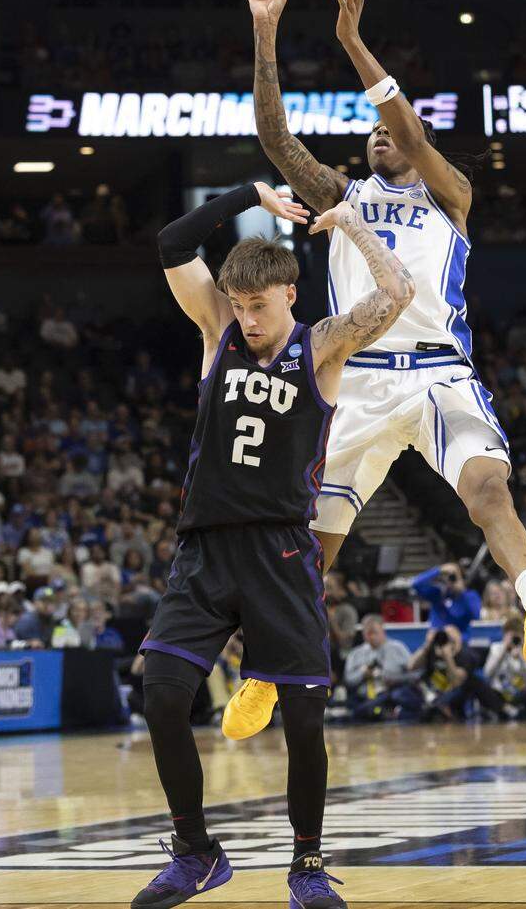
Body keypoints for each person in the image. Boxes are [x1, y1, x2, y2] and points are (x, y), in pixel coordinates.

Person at [227, 0, 526, 738]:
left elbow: (413, 128)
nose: (381, 132)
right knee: (309, 549)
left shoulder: (450, 193)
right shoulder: (341, 196)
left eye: (393, 127)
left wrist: (354, 44)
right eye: (372, 130)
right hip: (352, 382)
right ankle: (262, 667)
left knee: (488, 489)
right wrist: (265, 29)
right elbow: (274, 137)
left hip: (437, 374)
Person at [130, 177, 414, 909]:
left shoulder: (322, 344)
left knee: (304, 719)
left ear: (290, 294)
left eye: (260, 305)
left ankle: (307, 866)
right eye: (241, 304)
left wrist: (351, 224)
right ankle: (196, 852)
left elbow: (397, 291)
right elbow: (172, 243)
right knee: (161, 695)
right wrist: (249, 192)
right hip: (204, 549)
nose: (248, 318)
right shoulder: (215, 329)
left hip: (283, 551)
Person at [463, 614, 526, 720]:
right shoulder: (496, 648)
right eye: (511, 635)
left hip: (519, 695)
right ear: (504, 635)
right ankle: (506, 709)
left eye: (517, 636)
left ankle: (508, 710)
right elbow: (487, 674)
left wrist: (521, 657)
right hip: (499, 695)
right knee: (474, 682)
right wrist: (503, 652)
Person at [343, 614, 411, 720]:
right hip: (364, 697)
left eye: (374, 632)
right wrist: (362, 674)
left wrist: (393, 678)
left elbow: (413, 673)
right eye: (368, 633)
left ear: (382, 630)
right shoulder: (356, 653)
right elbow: (348, 679)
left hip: (390, 695)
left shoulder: (397, 648)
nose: (371, 637)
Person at [411, 562, 481, 637]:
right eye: (448, 577)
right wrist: (439, 569)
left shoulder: (470, 596)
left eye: (453, 578)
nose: (450, 581)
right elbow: (416, 584)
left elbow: (475, 615)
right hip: (438, 639)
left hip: (460, 640)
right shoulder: (438, 593)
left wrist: (462, 592)